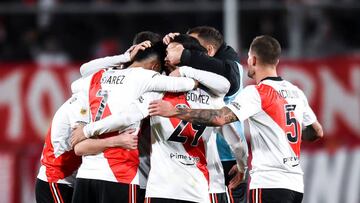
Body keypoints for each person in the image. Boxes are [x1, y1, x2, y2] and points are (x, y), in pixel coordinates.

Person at [149, 35, 324, 203]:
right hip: (295, 185)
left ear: (253, 60)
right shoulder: (296, 92)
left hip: (269, 182)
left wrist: (176, 112)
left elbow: (219, 118)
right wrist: (282, 136)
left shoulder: (257, 93)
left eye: (248, 57)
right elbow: (316, 132)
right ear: (276, 61)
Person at [70, 41, 198, 203]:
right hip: (120, 174)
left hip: (87, 174)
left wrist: (124, 57)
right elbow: (187, 83)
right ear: (154, 66)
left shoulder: (100, 75)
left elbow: (78, 79)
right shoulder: (145, 76)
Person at [164, 26, 248, 202]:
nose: (188, 50)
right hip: (195, 156)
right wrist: (171, 44)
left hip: (226, 157)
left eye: (194, 45)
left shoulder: (228, 70)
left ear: (209, 50)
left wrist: (186, 58)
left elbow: (227, 80)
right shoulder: (193, 71)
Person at [34, 82, 137, 203]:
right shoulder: (81, 104)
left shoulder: (86, 101)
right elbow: (80, 147)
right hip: (56, 181)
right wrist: (117, 141)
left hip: (67, 181)